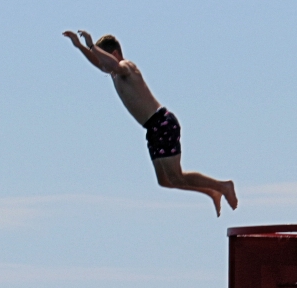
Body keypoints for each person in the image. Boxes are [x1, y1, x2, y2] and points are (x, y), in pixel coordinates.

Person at [63, 30, 237, 215]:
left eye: (104, 60)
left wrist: (91, 45)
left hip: (162, 123)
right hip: (153, 128)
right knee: (165, 181)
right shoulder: (113, 72)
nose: (103, 69)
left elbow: (111, 64)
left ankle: (224, 186)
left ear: (113, 54)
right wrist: (80, 47)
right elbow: (101, 63)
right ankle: (211, 191)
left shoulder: (125, 66)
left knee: (176, 176)